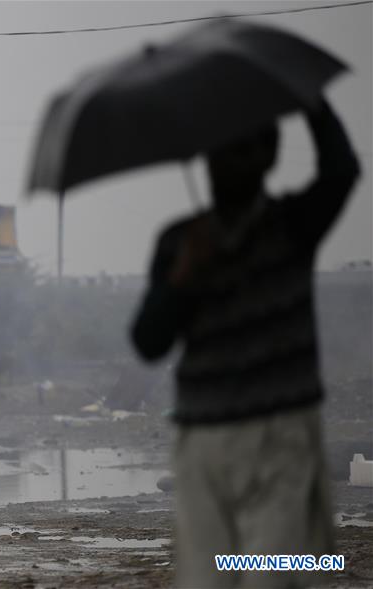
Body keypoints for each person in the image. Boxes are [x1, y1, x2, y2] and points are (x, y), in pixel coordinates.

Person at [131, 99, 359, 588]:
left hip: (281, 436)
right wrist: (182, 277)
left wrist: (312, 104)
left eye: (236, 150)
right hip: (203, 439)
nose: (222, 163)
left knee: (272, 574)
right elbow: (149, 341)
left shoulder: (292, 225)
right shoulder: (179, 242)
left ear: (267, 156)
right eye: (215, 152)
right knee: (209, 579)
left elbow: (342, 170)